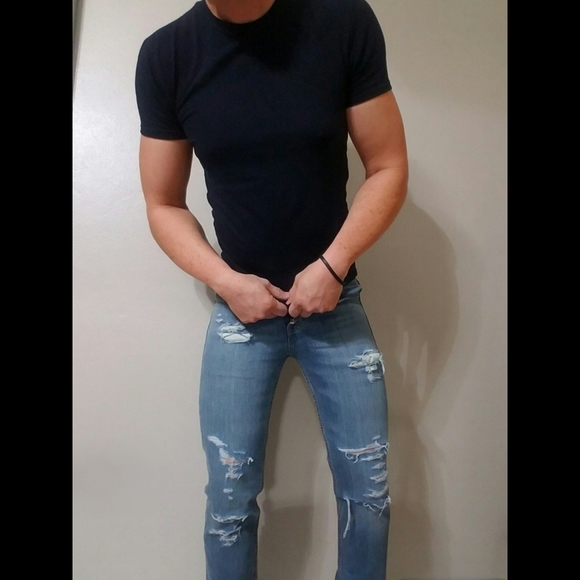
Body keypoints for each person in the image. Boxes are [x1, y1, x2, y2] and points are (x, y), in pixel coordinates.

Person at [135, 0, 407, 578]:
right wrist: (225, 281)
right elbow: (162, 204)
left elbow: (387, 165)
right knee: (229, 504)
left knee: (369, 493)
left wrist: (333, 266)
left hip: (336, 302)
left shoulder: (342, 21)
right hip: (240, 314)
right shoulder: (167, 55)